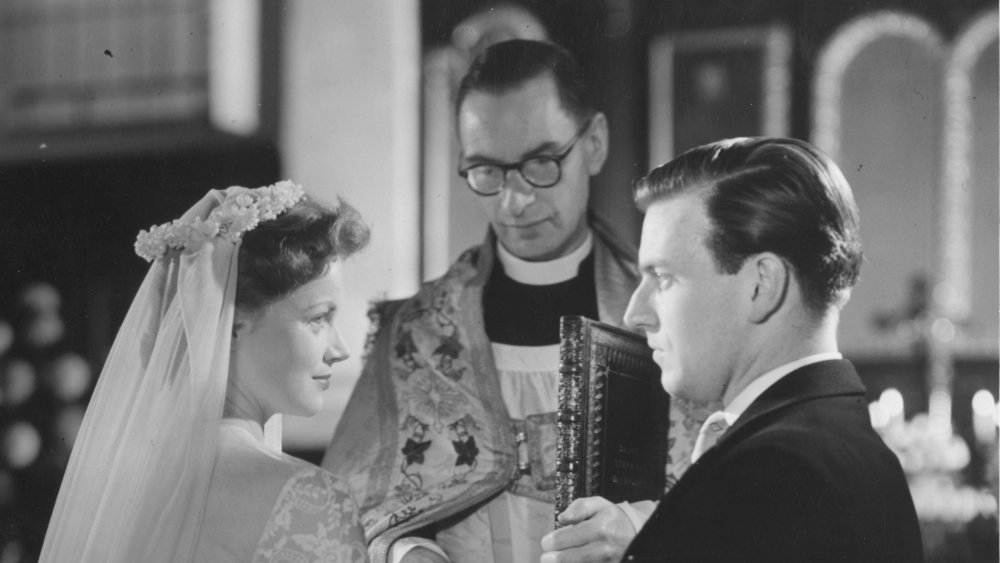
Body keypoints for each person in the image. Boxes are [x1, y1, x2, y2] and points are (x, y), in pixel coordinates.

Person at [323, 39, 708, 563]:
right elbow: (358, 506)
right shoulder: (420, 330)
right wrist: (407, 550)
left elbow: (717, 491)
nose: (515, 200)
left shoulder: (663, 316)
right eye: (487, 170)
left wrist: (636, 524)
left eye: (541, 162)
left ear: (594, 143)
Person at [560, 137, 922, 561]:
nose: (635, 314)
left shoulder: (766, 472)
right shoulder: (852, 450)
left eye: (663, 278)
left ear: (760, 285)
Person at [39, 181, 371, 562]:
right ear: (232, 326)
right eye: (318, 319)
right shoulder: (308, 497)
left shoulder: (117, 495)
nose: (340, 349)